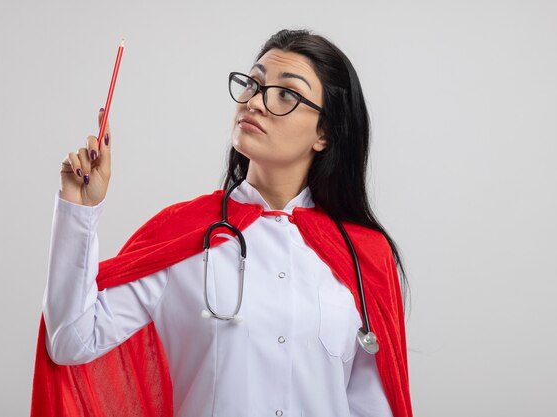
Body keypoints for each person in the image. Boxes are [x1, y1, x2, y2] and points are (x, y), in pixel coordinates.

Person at [31, 29, 412, 417]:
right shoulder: (183, 233)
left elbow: (372, 404)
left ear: (324, 134)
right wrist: (79, 211)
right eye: (254, 83)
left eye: (286, 94)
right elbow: (70, 340)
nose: (256, 103)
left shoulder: (363, 255)